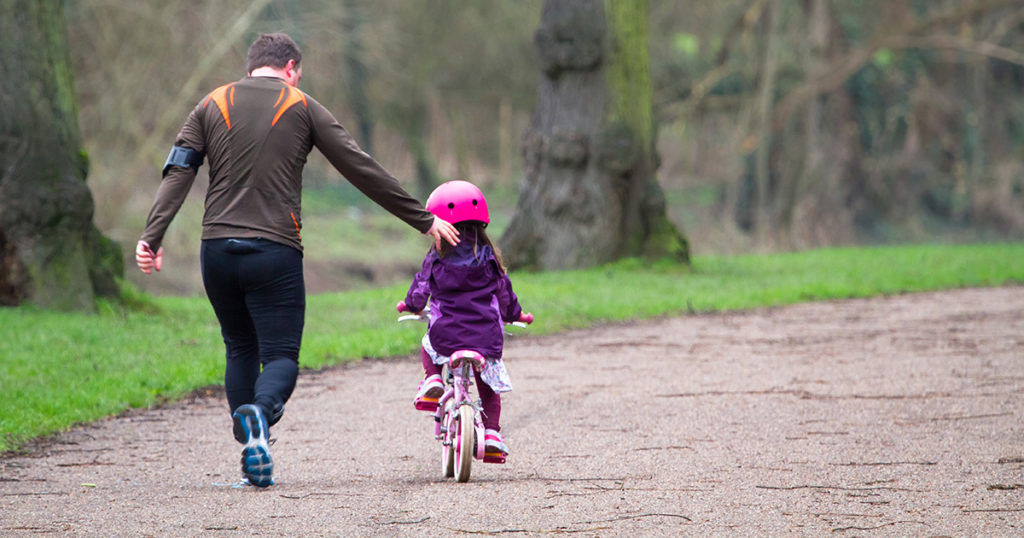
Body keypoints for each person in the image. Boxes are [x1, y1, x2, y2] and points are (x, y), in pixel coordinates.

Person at [134, 32, 459, 487]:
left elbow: (178, 170)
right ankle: (260, 417)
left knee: (239, 346)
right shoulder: (301, 104)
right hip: (274, 250)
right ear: (290, 68)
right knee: (281, 355)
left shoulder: (210, 103)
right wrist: (423, 220)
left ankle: (252, 448)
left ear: (252, 66)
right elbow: (358, 166)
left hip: (217, 251)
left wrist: (152, 235)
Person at [397, 180, 532, 462]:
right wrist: (516, 315)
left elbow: (421, 288)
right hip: (486, 338)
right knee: (488, 387)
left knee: (427, 345)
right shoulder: (490, 260)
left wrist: (410, 305)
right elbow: (505, 295)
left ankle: (433, 379)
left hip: (446, 335)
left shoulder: (436, 258)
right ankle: (493, 432)